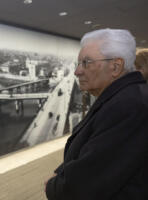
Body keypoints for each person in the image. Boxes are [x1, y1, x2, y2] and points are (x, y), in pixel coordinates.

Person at [45, 29, 148, 200]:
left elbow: (89, 182)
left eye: (86, 62)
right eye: (78, 63)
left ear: (115, 67)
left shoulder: (128, 106)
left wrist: (53, 186)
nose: (77, 71)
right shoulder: (128, 98)